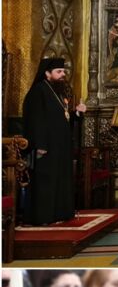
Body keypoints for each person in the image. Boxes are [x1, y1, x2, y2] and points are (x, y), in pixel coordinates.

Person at [21, 57, 86, 225]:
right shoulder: (38, 91)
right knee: (45, 182)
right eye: (59, 72)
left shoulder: (57, 92)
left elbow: (61, 119)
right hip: (45, 147)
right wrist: (40, 145)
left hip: (60, 147)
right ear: (47, 73)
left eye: (64, 71)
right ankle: (43, 217)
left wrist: (76, 114)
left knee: (59, 180)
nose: (63, 74)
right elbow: (36, 120)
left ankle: (59, 214)